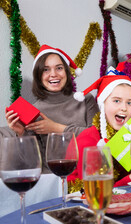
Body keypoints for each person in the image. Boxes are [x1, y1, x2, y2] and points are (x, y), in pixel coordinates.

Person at [2, 45, 99, 173]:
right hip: (53, 179)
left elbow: (97, 138)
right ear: (39, 76)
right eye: (46, 70)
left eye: (59, 68)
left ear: (67, 72)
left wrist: (56, 128)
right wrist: (21, 134)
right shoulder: (34, 111)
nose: (53, 74)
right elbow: (33, 162)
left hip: (88, 174)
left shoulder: (85, 99)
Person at [68, 74, 131, 191]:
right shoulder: (89, 140)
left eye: (130, 103)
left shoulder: (127, 137)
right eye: (117, 101)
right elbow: (94, 193)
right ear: (103, 104)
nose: (124, 108)